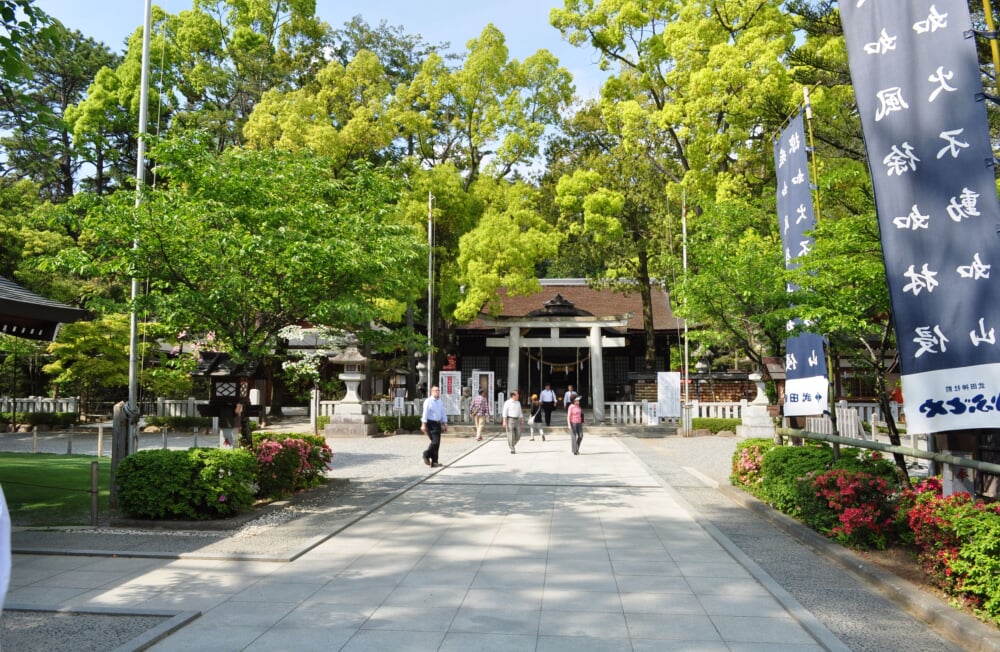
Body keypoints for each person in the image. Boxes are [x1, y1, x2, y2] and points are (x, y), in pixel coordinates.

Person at [420, 385, 448, 467]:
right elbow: (425, 413)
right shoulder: (428, 401)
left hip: (437, 423)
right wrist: (423, 424)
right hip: (430, 423)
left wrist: (445, 423)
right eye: (436, 390)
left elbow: (442, 412)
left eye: (438, 390)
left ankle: (434, 461)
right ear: (432, 392)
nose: (437, 392)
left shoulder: (440, 401)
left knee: (436, 443)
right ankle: (426, 454)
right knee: (435, 442)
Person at [502, 390, 524, 454]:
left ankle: (512, 444)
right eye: (517, 395)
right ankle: (512, 448)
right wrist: (504, 421)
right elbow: (504, 413)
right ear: (513, 396)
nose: (518, 396)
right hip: (510, 420)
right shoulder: (507, 402)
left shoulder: (518, 403)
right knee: (510, 435)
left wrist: (522, 420)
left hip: (517, 420)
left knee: (518, 434)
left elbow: (520, 412)